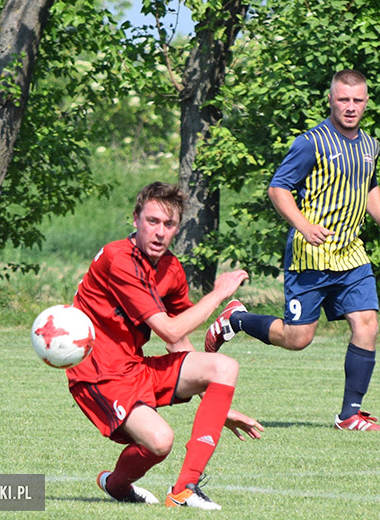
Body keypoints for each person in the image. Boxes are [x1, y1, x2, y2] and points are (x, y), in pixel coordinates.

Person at [203, 69, 380, 432]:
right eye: (343, 99)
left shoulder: (369, 146)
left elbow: (370, 186)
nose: (350, 107)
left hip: (350, 254)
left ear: (365, 102)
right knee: (297, 339)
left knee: (367, 324)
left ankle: (350, 414)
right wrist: (304, 224)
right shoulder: (310, 142)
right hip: (309, 256)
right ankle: (236, 318)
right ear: (330, 99)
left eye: (357, 100)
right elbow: (278, 189)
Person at [66, 182, 264, 511]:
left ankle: (185, 488)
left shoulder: (170, 269)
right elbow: (169, 327)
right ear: (135, 220)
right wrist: (218, 294)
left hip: (134, 366)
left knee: (223, 367)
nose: (160, 232)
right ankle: (117, 483)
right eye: (152, 221)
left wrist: (217, 403)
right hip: (97, 375)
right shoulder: (121, 260)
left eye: (169, 224)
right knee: (160, 442)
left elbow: (177, 340)